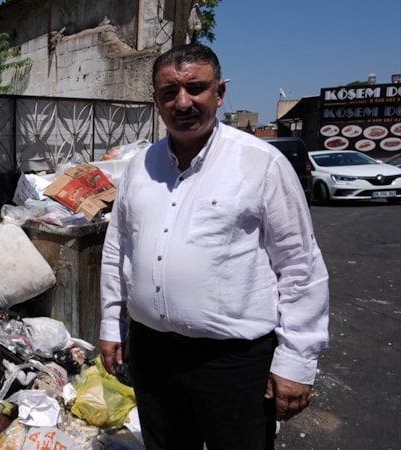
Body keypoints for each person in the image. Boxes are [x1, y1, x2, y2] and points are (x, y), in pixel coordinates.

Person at [98, 43, 329, 450]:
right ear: (156, 101)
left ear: (219, 93)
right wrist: (111, 325)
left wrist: (296, 361)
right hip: (152, 353)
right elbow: (119, 250)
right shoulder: (140, 167)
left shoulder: (261, 164)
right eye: (169, 92)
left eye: (195, 89)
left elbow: (300, 267)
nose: (182, 102)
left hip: (233, 362)